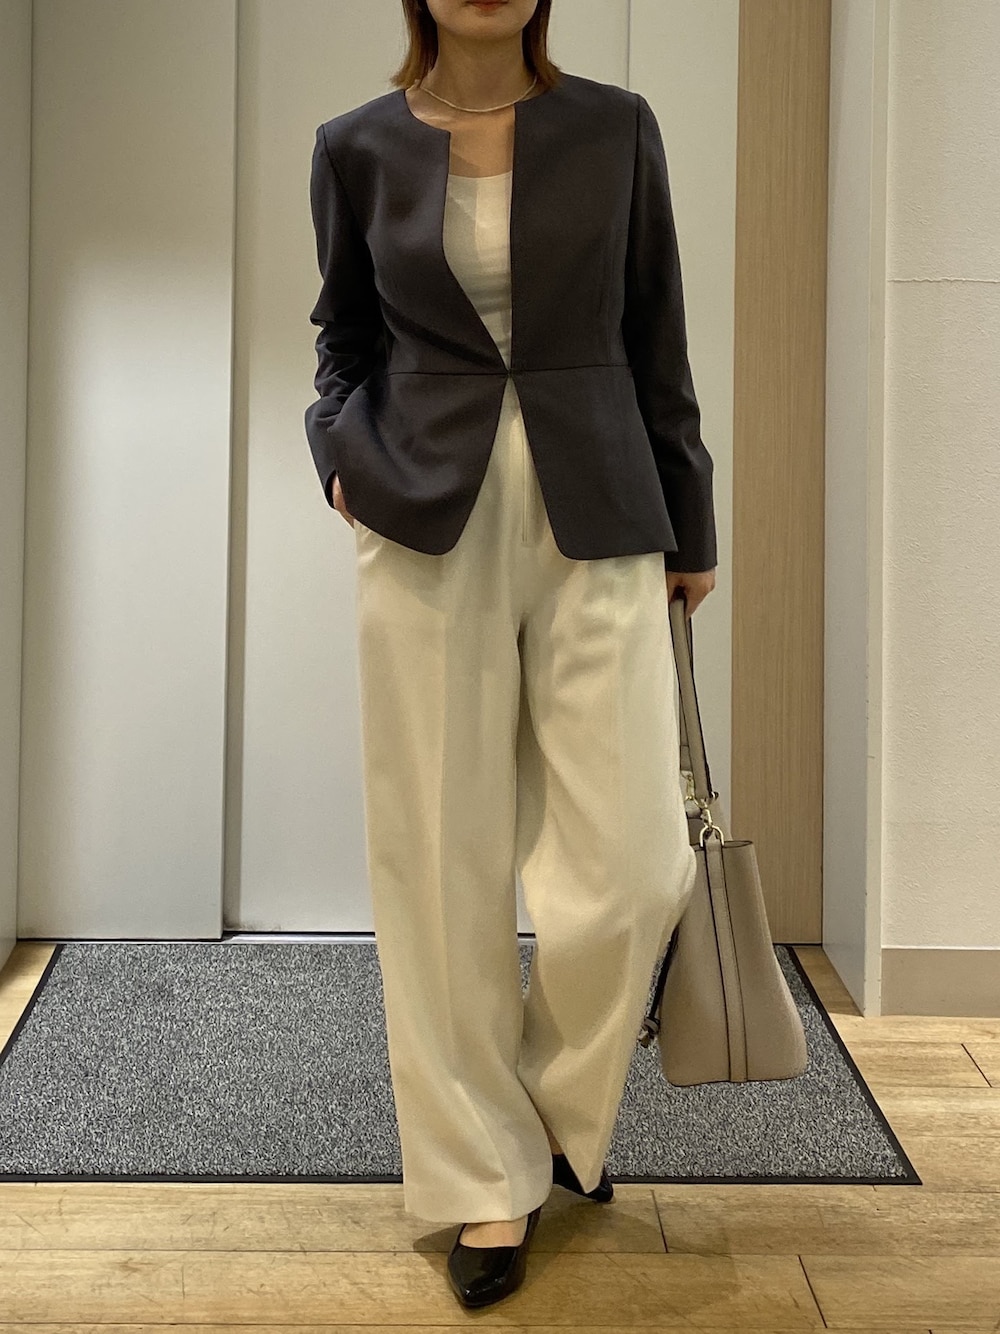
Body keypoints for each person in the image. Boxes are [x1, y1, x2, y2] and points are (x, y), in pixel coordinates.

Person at [305, 0, 717, 1309]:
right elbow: (342, 340)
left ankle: (538, 1115)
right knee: (439, 856)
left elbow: (657, 334)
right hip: (424, 512)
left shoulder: (616, 129)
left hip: (600, 505)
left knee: (637, 866)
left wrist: (690, 516)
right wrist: (338, 462)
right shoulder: (356, 144)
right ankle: (482, 1175)